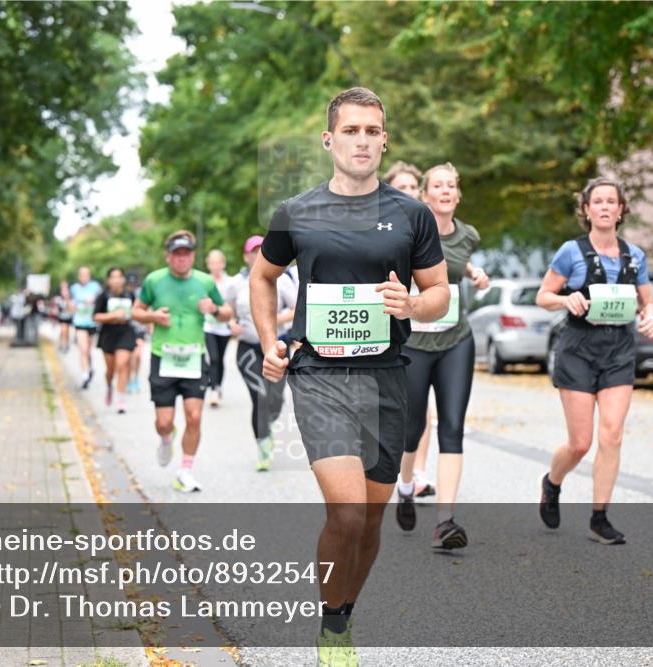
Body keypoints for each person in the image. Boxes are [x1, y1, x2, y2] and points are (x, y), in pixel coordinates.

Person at [250, 87, 449, 666]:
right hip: (319, 375)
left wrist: (412, 305)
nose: (362, 140)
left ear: (384, 141)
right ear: (328, 139)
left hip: (386, 375)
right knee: (347, 511)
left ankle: (344, 612)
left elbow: (438, 292)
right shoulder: (296, 211)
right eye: (351, 130)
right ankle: (332, 629)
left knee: (371, 520)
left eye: (372, 131)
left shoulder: (411, 215)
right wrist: (269, 341)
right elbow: (262, 277)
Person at [535, 177, 653, 545]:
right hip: (578, 348)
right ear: (587, 210)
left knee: (612, 435)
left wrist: (651, 315)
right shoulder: (571, 252)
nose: (604, 207)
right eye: (598, 201)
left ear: (621, 210)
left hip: (618, 348)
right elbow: (543, 296)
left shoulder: (635, 256)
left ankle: (599, 518)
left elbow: (646, 300)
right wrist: (565, 299)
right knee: (580, 443)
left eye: (611, 201)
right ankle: (552, 482)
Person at [394, 163, 490, 551]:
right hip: (415, 342)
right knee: (412, 428)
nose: (446, 190)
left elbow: (456, 260)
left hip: (455, 340)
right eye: (438, 185)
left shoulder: (468, 234)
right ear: (425, 195)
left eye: (452, 185)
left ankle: (445, 521)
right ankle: (405, 487)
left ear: (458, 196)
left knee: (452, 426)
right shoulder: (408, 233)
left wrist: (475, 274)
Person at [132, 231, 232, 493]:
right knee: (164, 422)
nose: (181, 259)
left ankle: (185, 471)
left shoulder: (205, 281)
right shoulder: (154, 280)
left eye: (186, 254)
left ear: (193, 256)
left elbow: (226, 313)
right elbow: (136, 311)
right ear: (168, 257)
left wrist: (214, 309)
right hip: (163, 357)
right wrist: (153, 317)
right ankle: (166, 438)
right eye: (176, 254)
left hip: (193, 358)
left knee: (194, 416)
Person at [382, 161, 436, 497]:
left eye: (414, 187)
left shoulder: (425, 225)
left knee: (422, 408)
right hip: (392, 334)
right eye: (402, 187)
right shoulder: (382, 226)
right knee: (403, 408)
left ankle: (417, 472)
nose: (410, 193)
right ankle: (396, 470)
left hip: (428, 329)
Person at [226, 235, 297, 471]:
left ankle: (267, 427)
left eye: (261, 250)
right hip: (248, 348)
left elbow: (296, 309)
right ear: (246, 256)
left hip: (278, 346)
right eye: (253, 251)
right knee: (260, 396)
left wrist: (270, 320)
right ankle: (263, 447)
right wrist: (231, 324)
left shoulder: (282, 280)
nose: (257, 255)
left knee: (276, 400)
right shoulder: (236, 283)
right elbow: (228, 310)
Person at [93, 267, 137, 414]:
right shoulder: (103, 296)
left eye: (119, 277)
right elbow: (96, 316)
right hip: (108, 333)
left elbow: (137, 312)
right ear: (108, 280)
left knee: (122, 364)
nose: (117, 280)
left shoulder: (130, 295)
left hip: (125, 332)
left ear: (123, 279)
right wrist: (113, 315)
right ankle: (109, 385)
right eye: (113, 277)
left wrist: (130, 315)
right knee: (111, 369)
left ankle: (121, 399)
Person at [203, 249, 234, 407]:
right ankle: (214, 390)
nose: (215, 266)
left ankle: (218, 385)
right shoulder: (204, 281)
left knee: (220, 359)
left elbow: (233, 305)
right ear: (208, 264)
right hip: (208, 326)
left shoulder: (230, 282)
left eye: (218, 262)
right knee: (213, 358)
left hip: (224, 327)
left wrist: (233, 321)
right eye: (212, 263)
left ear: (223, 264)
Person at [70, 267, 103, 389]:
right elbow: (71, 304)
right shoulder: (74, 288)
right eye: (82, 275)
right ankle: (85, 375)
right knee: (82, 349)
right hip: (79, 322)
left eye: (86, 275)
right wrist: (73, 306)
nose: (84, 277)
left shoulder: (95, 287)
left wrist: (94, 301)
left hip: (92, 322)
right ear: (79, 276)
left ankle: (89, 368)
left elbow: (101, 301)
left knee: (88, 351)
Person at [56, 281, 74, 353]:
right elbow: (58, 308)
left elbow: (71, 308)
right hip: (62, 317)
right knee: (63, 330)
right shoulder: (58, 298)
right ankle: (62, 344)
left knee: (67, 331)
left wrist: (67, 299)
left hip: (68, 317)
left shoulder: (71, 297)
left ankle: (66, 344)